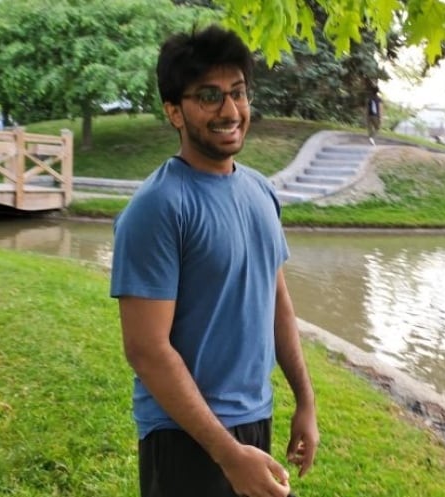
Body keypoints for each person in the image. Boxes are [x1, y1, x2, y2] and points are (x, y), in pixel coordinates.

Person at [110, 25, 319, 497]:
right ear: (174, 112)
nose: (229, 111)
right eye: (209, 96)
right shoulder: (157, 208)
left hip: (254, 418)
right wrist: (226, 455)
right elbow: (146, 349)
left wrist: (305, 401)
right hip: (184, 434)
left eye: (238, 93)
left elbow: (276, 299)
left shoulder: (261, 191)